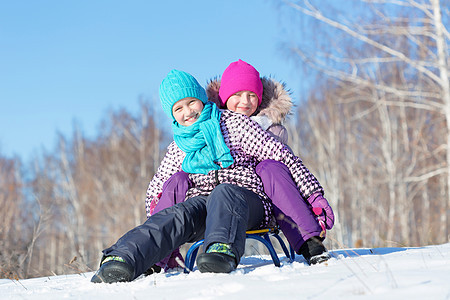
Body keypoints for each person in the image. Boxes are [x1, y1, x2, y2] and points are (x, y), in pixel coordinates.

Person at [91, 69, 329, 283]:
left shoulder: (233, 124)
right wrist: (154, 204)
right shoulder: (179, 145)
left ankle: (221, 249)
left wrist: (314, 195)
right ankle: (123, 257)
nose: (188, 112)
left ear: (202, 99)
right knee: (179, 214)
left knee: (225, 192)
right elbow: (158, 185)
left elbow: (282, 156)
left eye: (191, 102)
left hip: (247, 201)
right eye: (179, 108)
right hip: (204, 204)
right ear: (173, 115)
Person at [147, 60, 334, 271]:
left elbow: (289, 163)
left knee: (270, 167)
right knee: (178, 180)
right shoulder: (205, 128)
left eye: (251, 95)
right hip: (211, 205)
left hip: (261, 202)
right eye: (236, 95)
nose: (244, 102)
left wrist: (313, 196)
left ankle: (308, 240)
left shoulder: (269, 130)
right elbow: (160, 183)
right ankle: (158, 251)